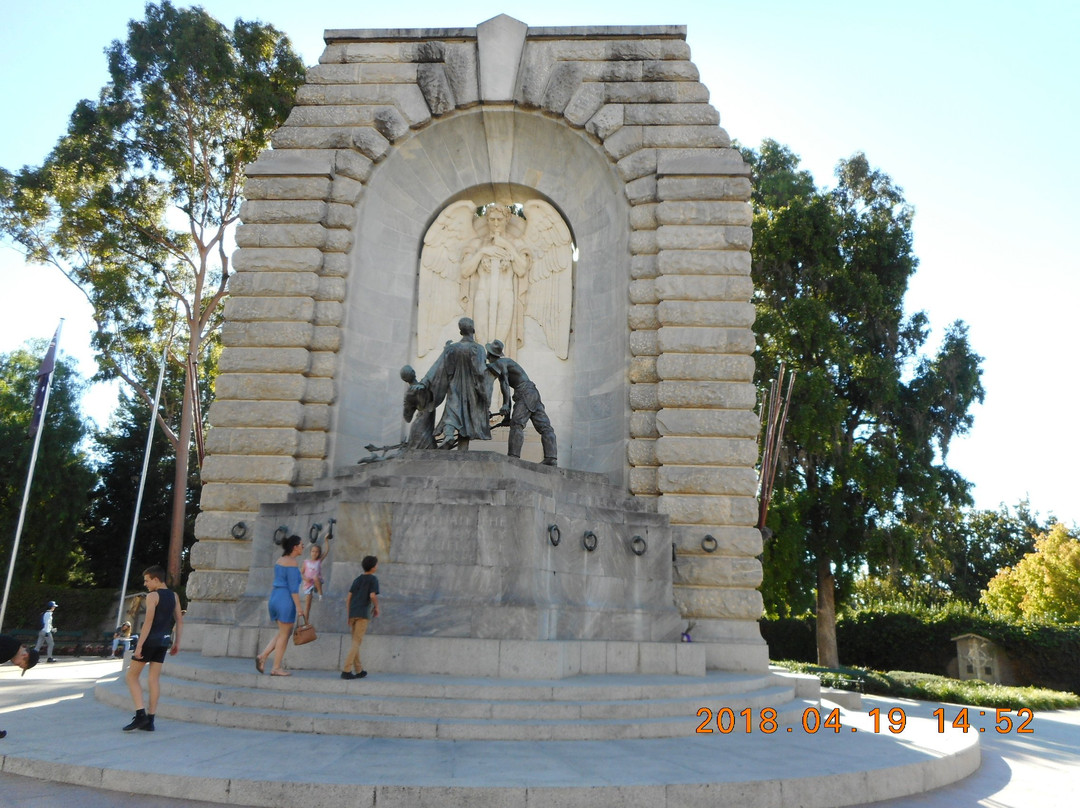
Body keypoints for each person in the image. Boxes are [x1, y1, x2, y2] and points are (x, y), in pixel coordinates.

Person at [123, 566, 182, 732]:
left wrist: (139, 645)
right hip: (164, 642)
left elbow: (148, 622)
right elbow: (179, 620)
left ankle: (140, 714)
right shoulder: (174, 596)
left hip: (149, 641)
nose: (145, 583)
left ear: (156, 579)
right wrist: (177, 642)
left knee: (131, 676)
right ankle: (151, 720)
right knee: (153, 680)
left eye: (147, 580)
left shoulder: (153, 596)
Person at [421, 317, 492, 449]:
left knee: (452, 412)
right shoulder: (478, 349)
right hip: (472, 390)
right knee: (467, 419)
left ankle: (449, 436)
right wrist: (485, 395)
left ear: (460, 332)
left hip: (454, 386)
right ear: (473, 330)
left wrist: (425, 381)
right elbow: (481, 372)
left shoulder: (452, 349)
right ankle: (461, 447)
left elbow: (438, 367)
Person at [486, 340, 557, 465]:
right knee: (545, 426)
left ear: (491, 355)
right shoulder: (506, 362)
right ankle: (551, 457)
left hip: (524, 392)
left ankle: (513, 458)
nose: (487, 357)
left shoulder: (500, 363)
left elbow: (505, 385)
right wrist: (506, 417)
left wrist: (506, 405)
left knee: (517, 424)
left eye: (488, 354)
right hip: (533, 392)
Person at [256, 534, 306, 677]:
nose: (303, 547)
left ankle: (263, 656)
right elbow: (293, 588)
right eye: (301, 545)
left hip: (275, 597)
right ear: (295, 547)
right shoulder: (292, 562)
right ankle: (276, 667)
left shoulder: (280, 560)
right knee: (284, 635)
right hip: (285, 599)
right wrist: (299, 607)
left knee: (283, 632)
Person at [341, 556, 379, 680]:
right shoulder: (373, 579)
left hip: (353, 613)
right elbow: (372, 595)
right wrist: (377, 607)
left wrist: (348, 615)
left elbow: (348, 598)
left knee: (355, 642)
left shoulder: (357, 580)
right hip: (363, 613)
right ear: (373, 567)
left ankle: (359, 670)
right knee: (357, 642)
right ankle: (346, 670)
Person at [0, 636, 39, 739]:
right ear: (24, 655)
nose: (16, 665)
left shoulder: (12, 645)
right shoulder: (8, 650)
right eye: (20, 665)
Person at [400, 365, 437, 449]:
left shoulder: (425, 384)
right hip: (422, 427)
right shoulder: (412, 392)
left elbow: (407, 417)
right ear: (413, 372)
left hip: (423, 424)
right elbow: (407, 418)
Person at [301, 536, 332, 619]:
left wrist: (326, 540)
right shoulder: (306, 562)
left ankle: (320, 593)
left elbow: (326, 551)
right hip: (308, 583)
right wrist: (305, 578)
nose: (314, 553)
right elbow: (300, 573)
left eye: (317, 552)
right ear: (310, 552)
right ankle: (306, 622)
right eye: (313, 551)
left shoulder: (319, 561)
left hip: (316, 582)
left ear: (319, 553)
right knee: (307, 605)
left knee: (315, 577)